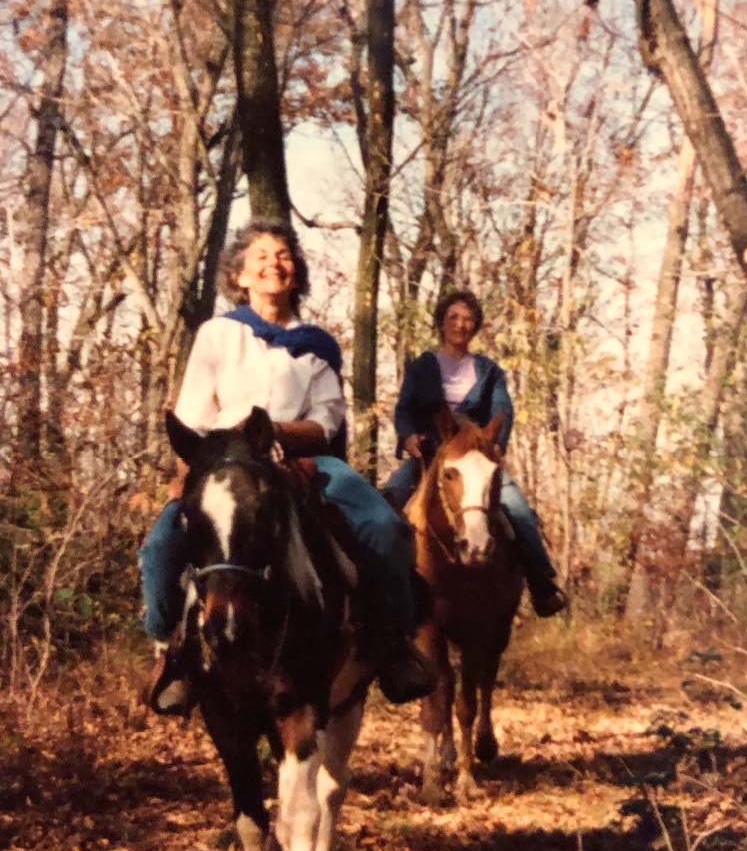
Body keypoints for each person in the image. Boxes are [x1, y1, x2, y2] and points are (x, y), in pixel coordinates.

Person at [138, 217, 435, 713]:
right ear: (240, 276)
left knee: (384, 526)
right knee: (162, 543)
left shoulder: (317, 344)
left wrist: (275, 431)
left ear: (296, 272)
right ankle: (172, 653)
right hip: (227, 460)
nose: (274, 263)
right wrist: (185, 476)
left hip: (305, 458)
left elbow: (325, 420)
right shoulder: (218, 334)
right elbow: (193, 414)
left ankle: (394, 644)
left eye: (283, 255)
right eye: (261, 256)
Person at [382, 288, 567, 618]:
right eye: (453, 317)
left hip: (476, 460)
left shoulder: (489, 371)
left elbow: (502, 410)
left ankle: (543, 585)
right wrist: (408, 438)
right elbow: (404, 409)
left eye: (468, 319)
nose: (460, 324)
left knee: (519, 510)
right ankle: (381, 592)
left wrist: (494, 445)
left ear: (476, 326)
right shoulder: (422, 367)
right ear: (441, 323)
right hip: (430, 456)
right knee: (386, 503)